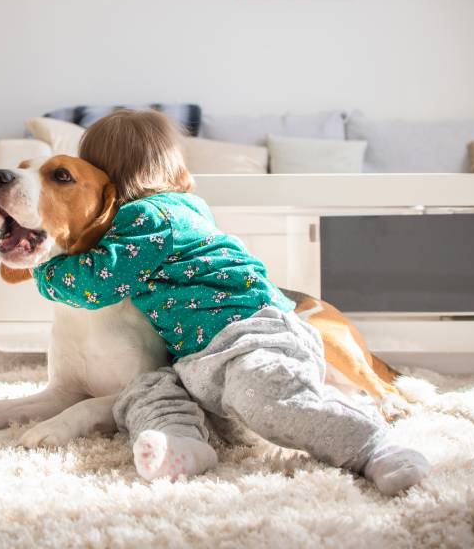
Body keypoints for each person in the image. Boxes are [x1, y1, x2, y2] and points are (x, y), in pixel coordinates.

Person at [33, 110, 430, 495]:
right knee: (145, 391)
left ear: (105, 175)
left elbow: (96, 281)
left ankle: (373, 446)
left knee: (270, 400)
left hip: (249, 334)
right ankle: (181, 444)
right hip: (200, 356)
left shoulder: (150, 218)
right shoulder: (176, 212)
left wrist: (38, 262)